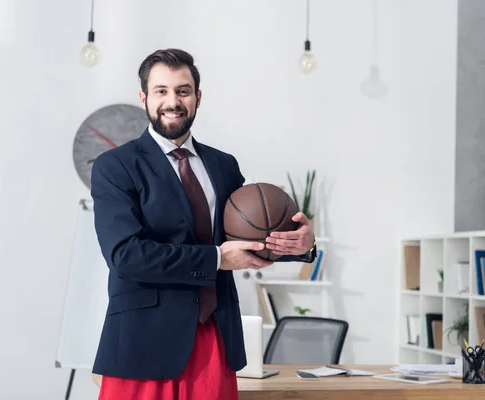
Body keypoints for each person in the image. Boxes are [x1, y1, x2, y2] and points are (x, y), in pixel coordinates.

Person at [90, 48, 317, 400]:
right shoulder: (115, 166)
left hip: (214, 336)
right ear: (144, 98)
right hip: (143, 343)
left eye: (182, 91)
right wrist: (216, 259)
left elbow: (247, 238)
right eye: (161, 91)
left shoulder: (223, 165)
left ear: (197, 97)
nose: (172, 101)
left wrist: (300, 246)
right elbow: (125, 255)